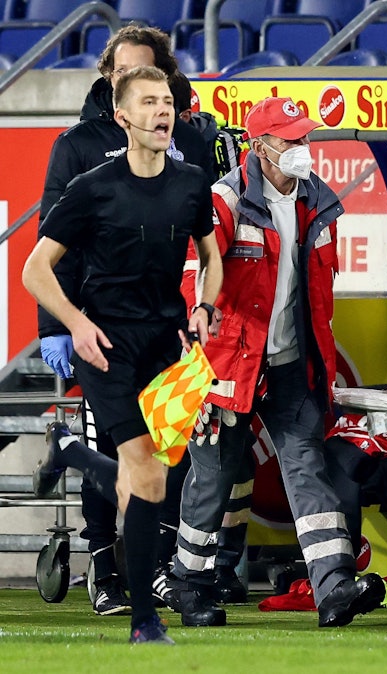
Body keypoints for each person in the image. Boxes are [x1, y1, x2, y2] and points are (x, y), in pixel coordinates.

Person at [23, 65, 223, 644]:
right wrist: (75, 324)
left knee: (148, 480)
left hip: (168, 346)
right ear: (123, 117)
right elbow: (35, 269)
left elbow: (212, 257)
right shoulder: (92, 186)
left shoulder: (192, 183)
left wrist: (204, 307)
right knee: (147, 474)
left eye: (168, 102)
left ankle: (69, 451)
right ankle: (144, 622)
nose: (163, 111)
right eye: (150, 102)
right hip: (106, 346)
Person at [173, 96, 385, 629]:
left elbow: (315, 296)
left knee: (308, 467)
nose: (302, 147)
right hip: (225, 365)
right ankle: (189, 584)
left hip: (291, 362)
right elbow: (193, 278)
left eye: (305, 137)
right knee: (213, 478)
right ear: (259, 146)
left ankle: (333, 588)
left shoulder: (319, 201)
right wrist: (194, 358)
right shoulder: (223, 201)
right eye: (291, 140)